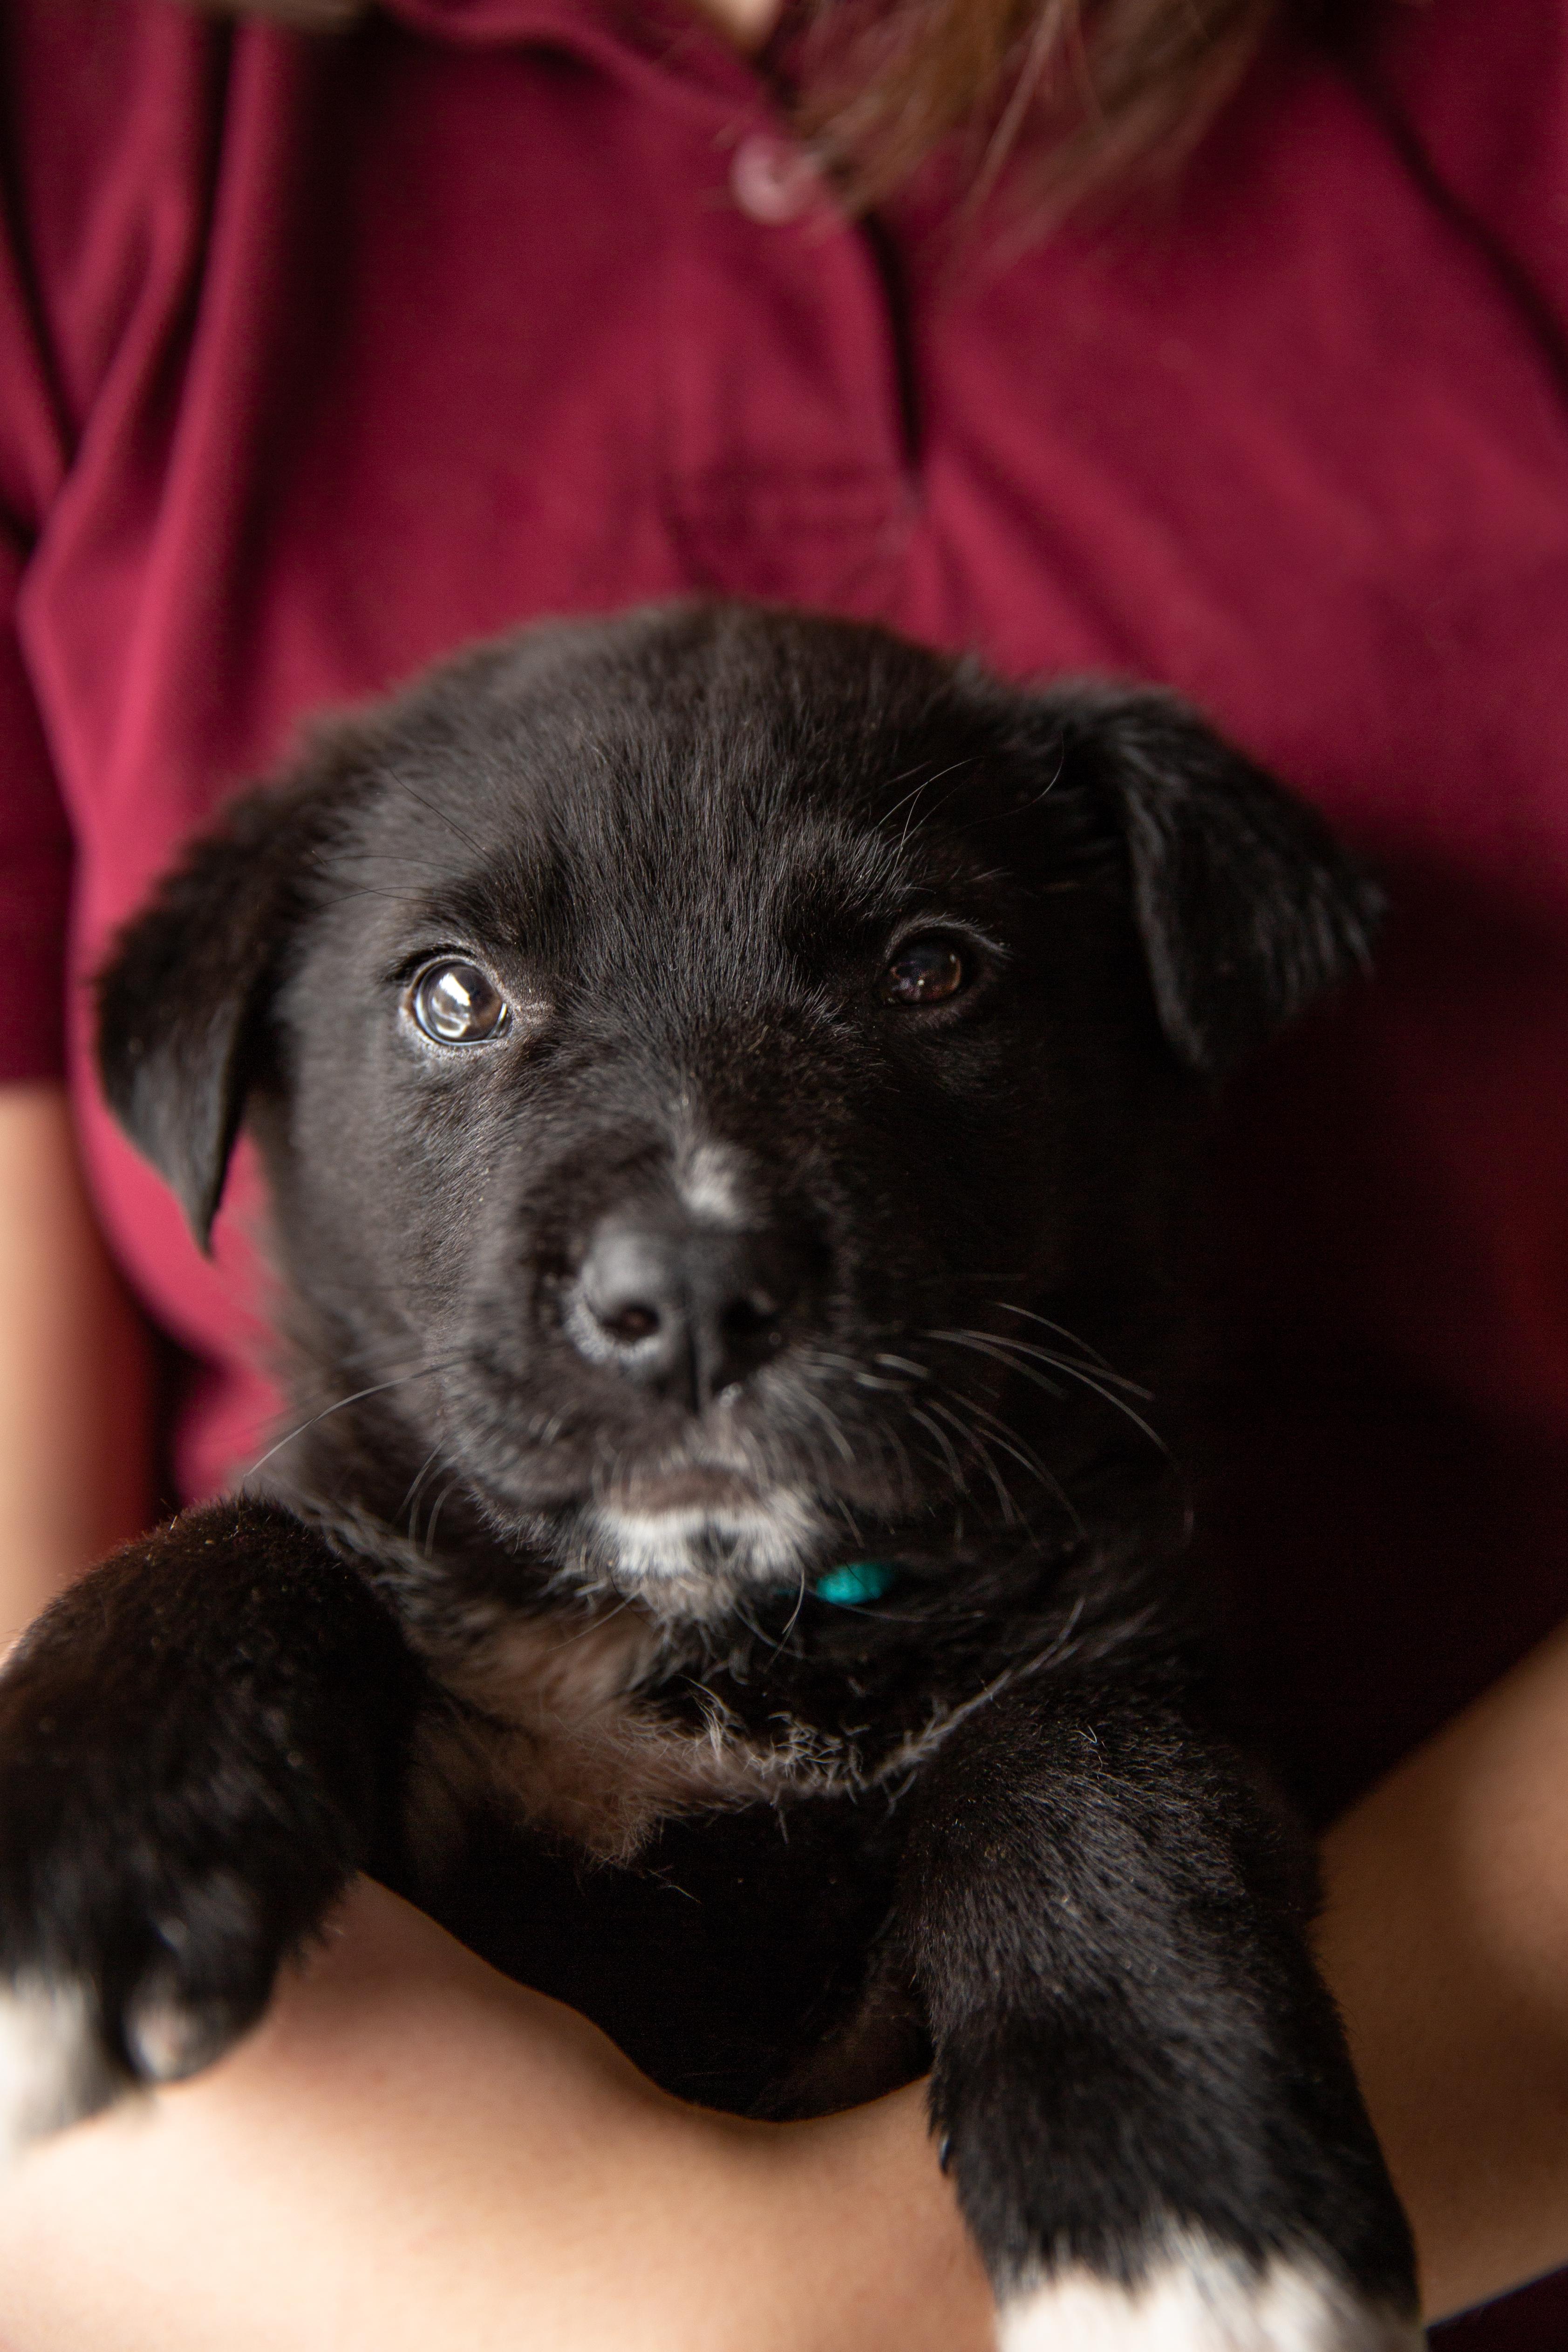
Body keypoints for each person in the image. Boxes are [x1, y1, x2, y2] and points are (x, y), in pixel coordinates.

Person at [0, 0, 1566, 2341]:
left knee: (1079, 1779)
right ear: (256, 1077)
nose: (682, 1250)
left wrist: (825, 2294)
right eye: (454, 1003)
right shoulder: (83, 99)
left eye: (923, 974)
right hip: (280, 2252)